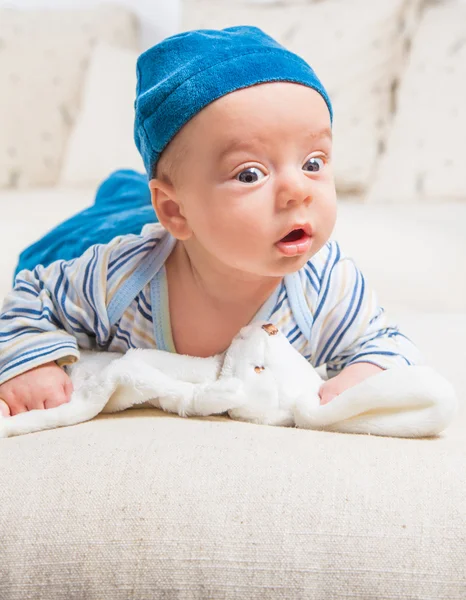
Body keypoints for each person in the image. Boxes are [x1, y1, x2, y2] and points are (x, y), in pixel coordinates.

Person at [0, 26, 424, 418]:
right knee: (105, 216)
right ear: (175, 210)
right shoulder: (120, 277)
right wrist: (30, 361)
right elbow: (32, 298)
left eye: (313, 163)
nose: (299, 190)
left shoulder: (326, 285)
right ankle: (125, 191)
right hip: (127, 228)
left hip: (179, 222)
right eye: (249, 174)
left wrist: (364, 375)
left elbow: (385, 343)